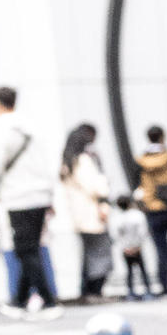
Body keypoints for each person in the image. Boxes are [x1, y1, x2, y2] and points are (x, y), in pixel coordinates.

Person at [0, 86, 60, 316]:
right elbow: (47, 163)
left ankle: (49, 301)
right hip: (40, 195)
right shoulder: (32, 128)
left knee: (25, 248)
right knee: (30, 247)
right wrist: (50, 194)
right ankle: (19, 301)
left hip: (17, 196)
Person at [57, 123, 113, 304]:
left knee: (89, 253)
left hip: (79, 215)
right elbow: (95, 187)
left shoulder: (67, 162)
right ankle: (94, 290)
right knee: (100, 252)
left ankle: (86, 290)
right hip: (92, 213)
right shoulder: (83, 161)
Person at [134, 126, 167, 294]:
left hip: (153, 209)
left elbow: (138, 186)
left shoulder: (141, 161)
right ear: (163, 137)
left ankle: (165, 287)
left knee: (161, 249)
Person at [111, 192, 152, 299]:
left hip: (126, 249)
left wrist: (125, 247)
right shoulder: (138, 215)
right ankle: (148, 291)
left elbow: (116, 235)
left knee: (129, 272)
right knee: (143, 270)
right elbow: (143, 233)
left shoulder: (117, 218)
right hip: (137, 248)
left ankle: (131, 292)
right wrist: (138, 246)